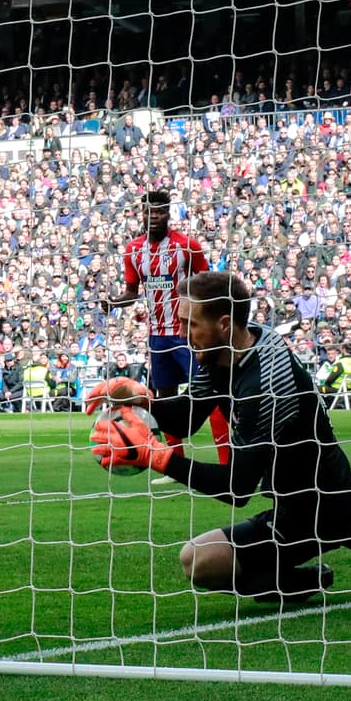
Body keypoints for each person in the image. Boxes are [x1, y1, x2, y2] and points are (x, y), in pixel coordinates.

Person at [87, 271, 351, 602]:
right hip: (303, 496)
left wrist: (158, 458)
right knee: (344, 524)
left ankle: (303, 580)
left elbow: (237, 489)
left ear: (224, 324)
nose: (180, 333)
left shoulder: (264, 384)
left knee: (199, 562)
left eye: (190, 324)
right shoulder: (228, 350)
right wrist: (142, 399)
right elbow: (188, 418)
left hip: (314, 504)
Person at [102, 190, 230, 483]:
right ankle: (174, 465)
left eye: (159, 212)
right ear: (142, 214)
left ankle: (227, 462)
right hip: (157, 337)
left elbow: (206, 283)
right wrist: (114, 303)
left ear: (168, 214)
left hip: (188, 334)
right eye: (149, 212)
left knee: (210, 395)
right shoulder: (133, 250)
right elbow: (132, 292)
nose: (154, 217)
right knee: (166, 397)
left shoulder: (186, 246)